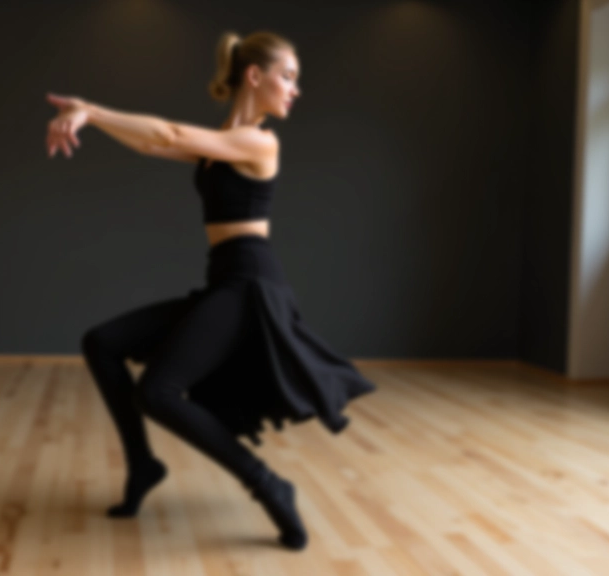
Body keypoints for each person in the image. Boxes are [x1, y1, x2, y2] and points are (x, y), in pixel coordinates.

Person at [45, 30, 376, 551]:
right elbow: (154, 139)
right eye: (288, 77)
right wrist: (92, 113)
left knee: (157, 391)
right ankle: (143, 466)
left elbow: (171, 135)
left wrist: (90, 110)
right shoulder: (220, 143)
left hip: (251, 287)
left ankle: (268, 484)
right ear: (255, 75)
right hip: (224, 283)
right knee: (101, 342)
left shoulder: (259, 142)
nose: (296, 89)